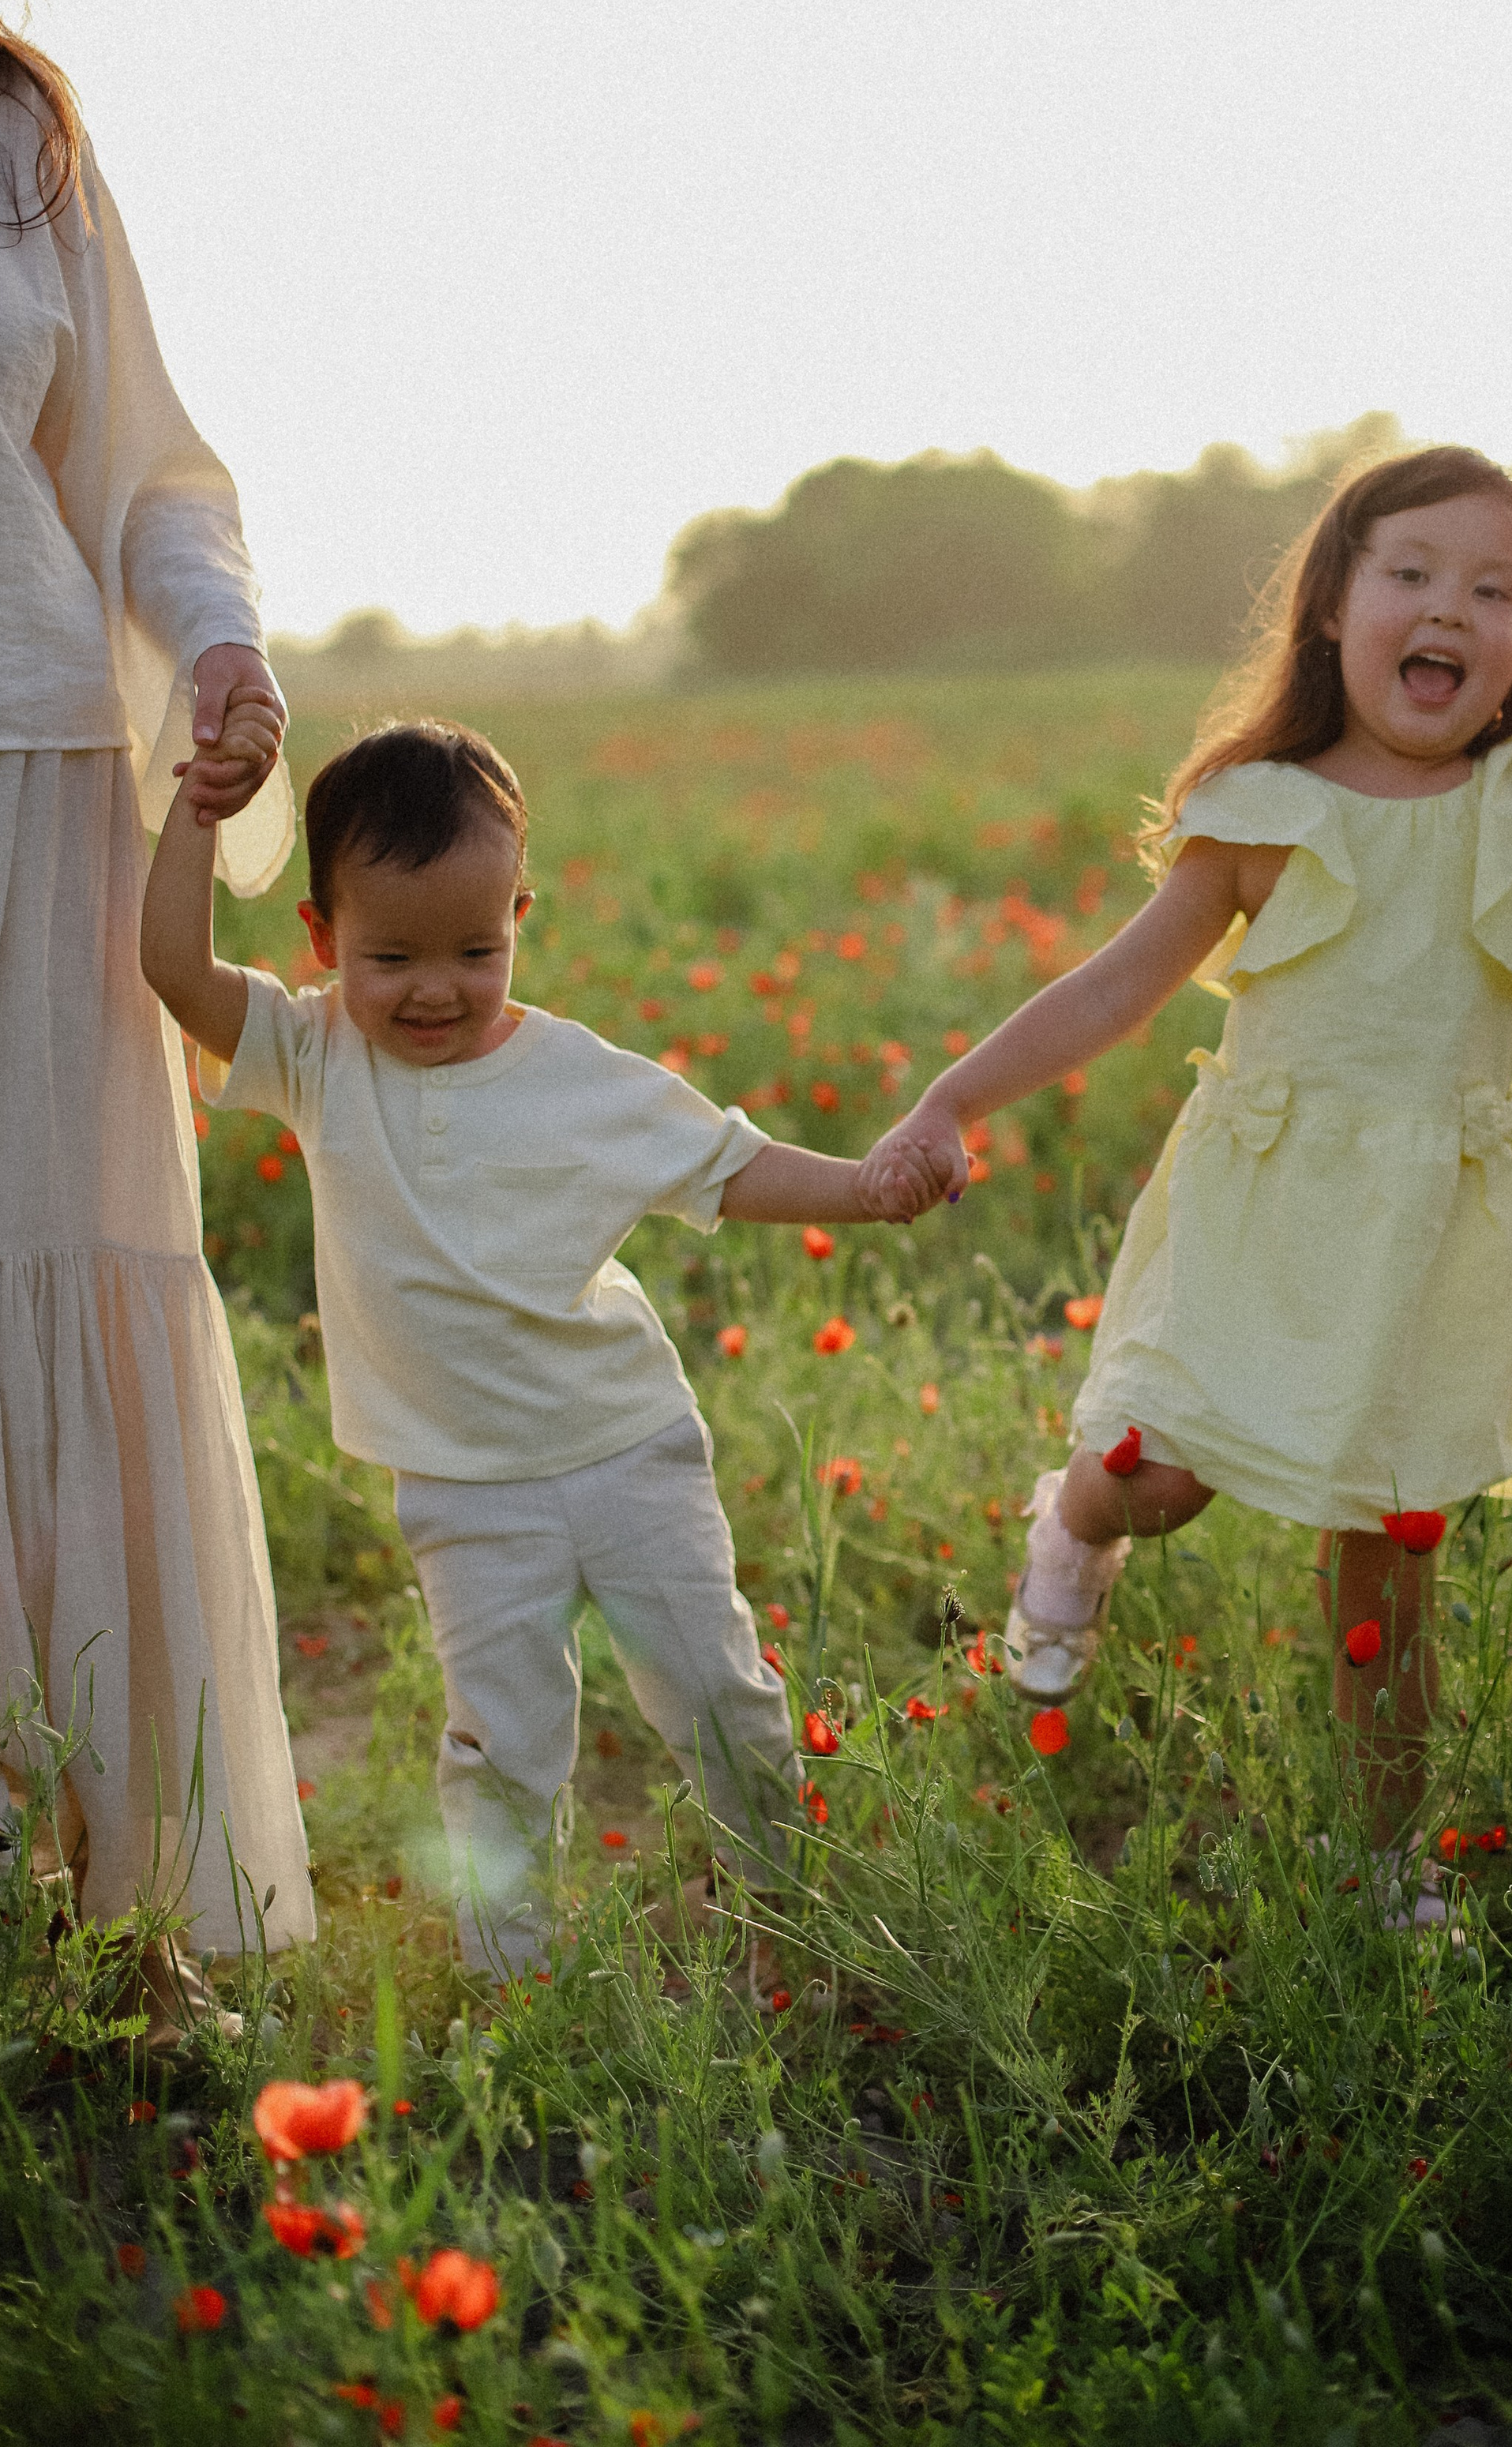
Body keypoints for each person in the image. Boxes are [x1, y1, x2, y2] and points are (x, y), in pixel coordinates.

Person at [861, 445, 1512, 1886]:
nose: (1451, 611)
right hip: (1263, 1207)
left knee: (1388, 1571)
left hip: (1423, 1236)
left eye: (1495, 590)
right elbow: (1112, 991)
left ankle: (1384, 1869)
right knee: (1159, 1481)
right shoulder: (1262, 814)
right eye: (1410, 574)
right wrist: (950, 1101)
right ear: (1335, 607)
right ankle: (1074, 1517)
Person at [141, 715, 927, 1979]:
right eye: (390, 955)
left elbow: (729, 1166)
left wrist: (868, 1185)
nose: (435, 987)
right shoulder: (314, 1054)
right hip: (461, 1488)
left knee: (717, 1692)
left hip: (626, 1452)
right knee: (503, 1742)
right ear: (323, 938)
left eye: (477, 947)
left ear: (521, 914)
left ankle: (790, 1918)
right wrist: (199, 813)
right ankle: (515, 1976)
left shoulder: (579, 1079)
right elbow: (176, 970)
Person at [0, 0, 311, 2027]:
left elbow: (148, 473)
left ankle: (111, 1913)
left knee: (62, 1287)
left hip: (37, 771)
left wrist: (214, 642)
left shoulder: (25, 140)